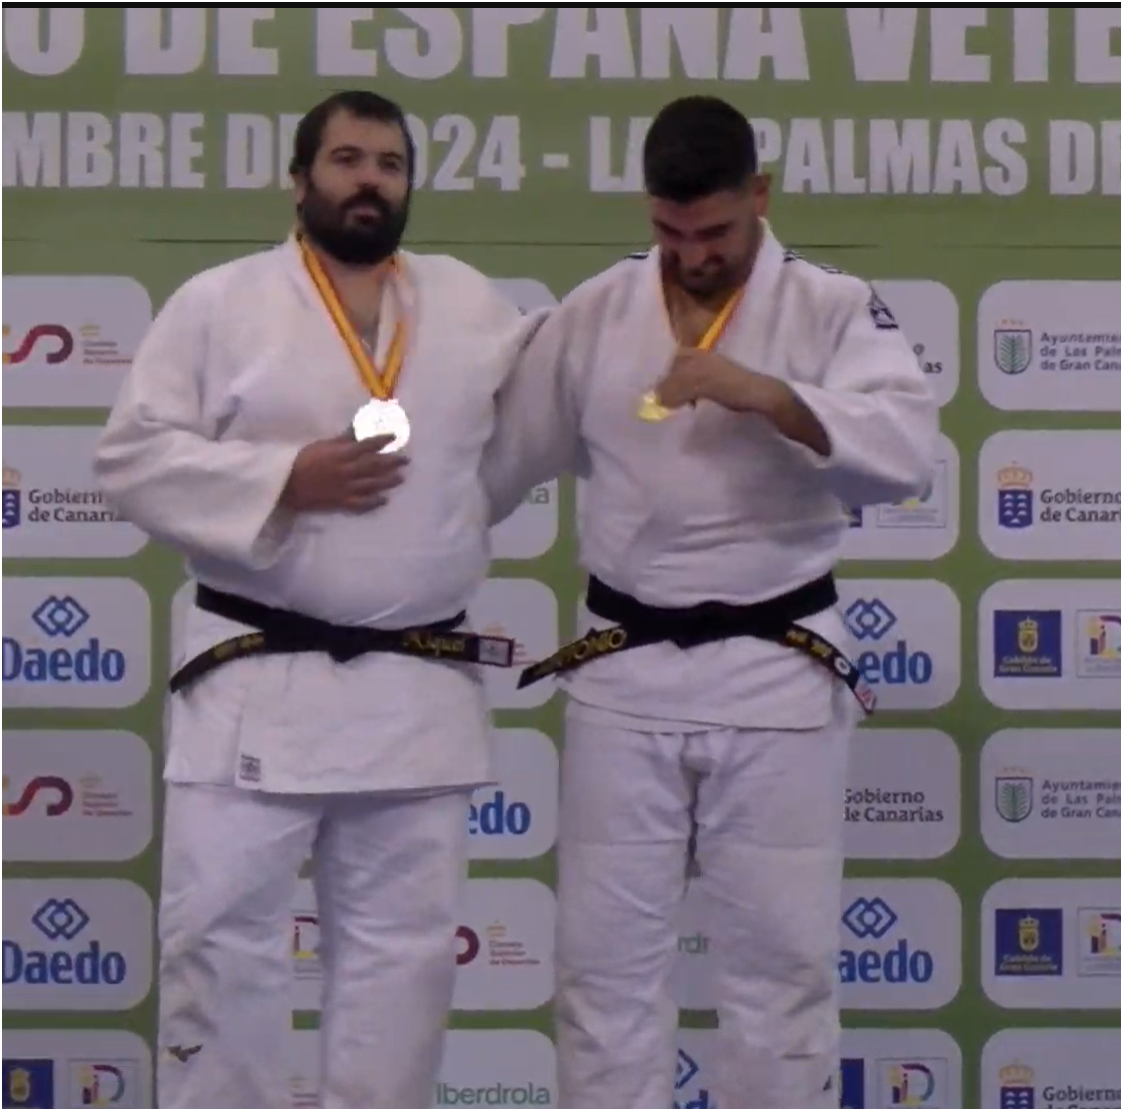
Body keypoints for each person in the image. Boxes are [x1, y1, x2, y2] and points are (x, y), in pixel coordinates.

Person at [481, 96, 939, 1109]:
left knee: (780, 975)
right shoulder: (597, 311)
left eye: (715, 233)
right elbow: (495, 466)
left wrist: (770, 394)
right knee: (603, 974)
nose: (692, 256)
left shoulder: (828, 306)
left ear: (759, 197)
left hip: (775, 670)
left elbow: (908, 454)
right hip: (623, 671)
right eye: (670, 232)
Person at [93, 90, 534, 1109]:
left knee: (402, 964)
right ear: (299, 181)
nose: (369, 179)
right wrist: (283, 477)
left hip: (413, 687)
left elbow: (521, 438)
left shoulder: (471, 305)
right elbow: (132, 458)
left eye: (389, 163)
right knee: (219, 949)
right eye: (346, 159)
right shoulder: (220, 303)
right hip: (256, 678)